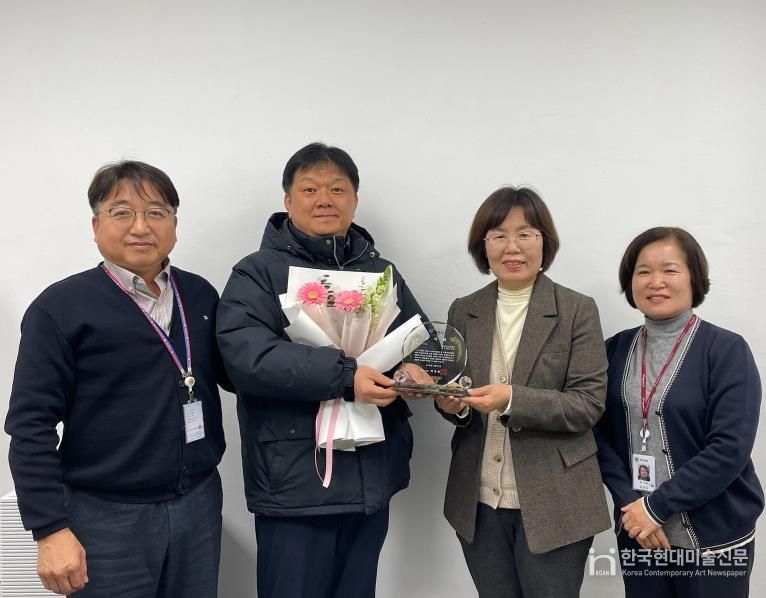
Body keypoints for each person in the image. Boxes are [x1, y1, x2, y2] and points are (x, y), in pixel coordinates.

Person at [5, 161, 228, 597]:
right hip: (105, 518)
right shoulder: (60, 308)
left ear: (174, 223)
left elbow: (240, 373)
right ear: (96, 225)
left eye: (156, 212)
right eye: (122, 212)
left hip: (198, 504)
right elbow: (30, 425)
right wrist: (49, 529)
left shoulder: (200, 295)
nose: (140, 226)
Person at [216, 142, 426, 598]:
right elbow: (247, 359)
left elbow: (420, 339)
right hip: (295, 479)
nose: (324, 199)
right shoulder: (257, 273)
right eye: (310, 189)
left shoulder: (381, 272)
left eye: (337, 188)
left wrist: (415, 371)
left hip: (372, 473)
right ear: (288, 200)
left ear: (355, 199)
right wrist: (346, 376)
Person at [435, 186, 610, 598]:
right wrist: (452, 405)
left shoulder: (577, 309)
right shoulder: (464, 309)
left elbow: (588, 405)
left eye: (525, 234)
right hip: (477, 501)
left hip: (556, 502)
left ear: (544, 242)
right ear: (483, 245)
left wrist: (512, 398)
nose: (512, 247)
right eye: (498, 235)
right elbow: (456, 391)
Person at [595, 226, 763, 597]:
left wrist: (656, 507)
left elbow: (729, 449)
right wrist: (632, 507)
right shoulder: (613, 350)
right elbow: (597, 435)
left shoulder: (726, 351)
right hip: (640, 534)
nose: (656, 282)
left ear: (694, 278)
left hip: (714, 539)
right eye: (643, 271)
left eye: (669, 270)